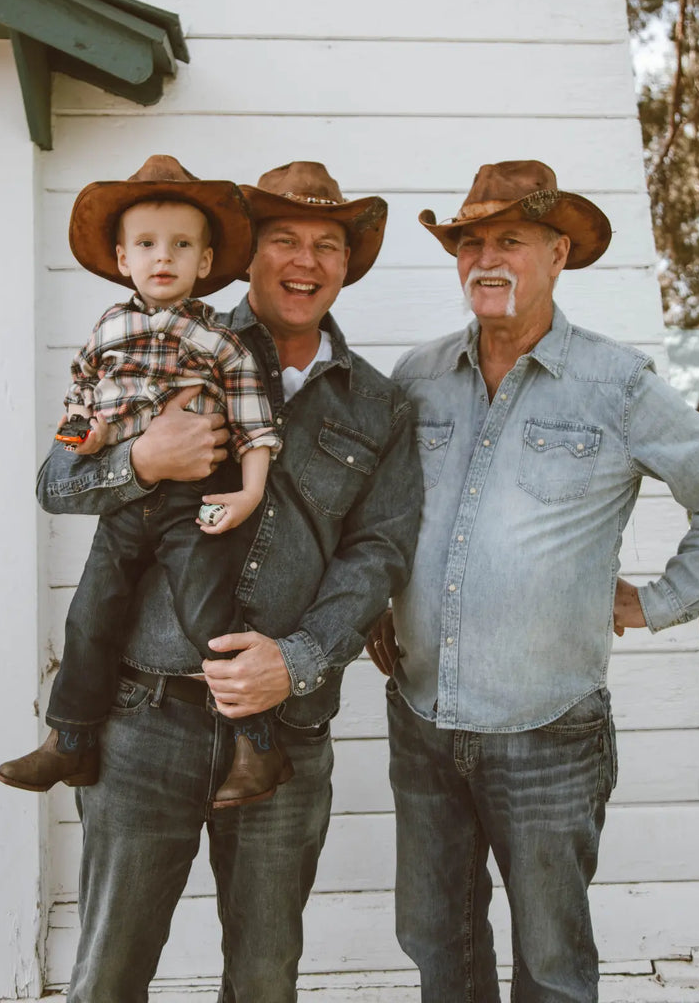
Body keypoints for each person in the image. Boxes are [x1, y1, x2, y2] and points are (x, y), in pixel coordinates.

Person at [35, 160, 422, 1001]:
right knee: (107, 973)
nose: (306, 260)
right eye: (284, 237)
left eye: (328, 244)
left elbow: (379, 555)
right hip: (148, 720)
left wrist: (301, 655)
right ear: (244, 254)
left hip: (286, 730)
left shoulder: (379, 406)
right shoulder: (165, 342)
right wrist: (142, 460)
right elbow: (56, 485)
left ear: (347, 265)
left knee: (263, 975)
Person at [367, 159, 699, 1002]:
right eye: (470, 243)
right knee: (437, 941)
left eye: (510, 240)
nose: (485, 259)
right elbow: (374, 510)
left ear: (558, 253)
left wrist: (660, 600)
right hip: (423, 720)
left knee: (553, 965)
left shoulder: (615, 384)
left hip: (548, 733)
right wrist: (369, 605)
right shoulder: (417, 379)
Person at [0, 154, 289, 807]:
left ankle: (257, 746)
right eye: (147, 245)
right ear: (123, 259)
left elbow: (254, 425)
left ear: (205, 264)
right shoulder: (108, 330)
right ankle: (69, 739)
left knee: (208, 618)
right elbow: (85, 399)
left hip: (193, 500)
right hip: (126, 502)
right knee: (91, 612)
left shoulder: (222, 344)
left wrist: (249, 491)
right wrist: (88, 436)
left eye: (182, 246)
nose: (164, 257)